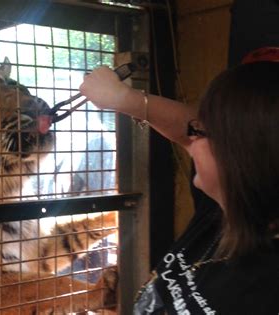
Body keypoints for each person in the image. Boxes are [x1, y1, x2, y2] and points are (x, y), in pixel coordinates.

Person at [79, 47, 279, 314]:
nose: (190, 137)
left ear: (242, 152)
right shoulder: (228, 208)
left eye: (202, 131)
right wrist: (121, 98)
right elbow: (186, 128)